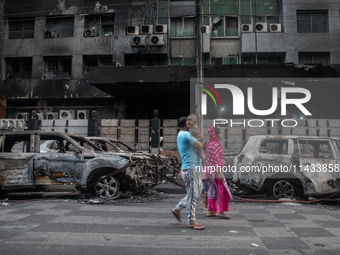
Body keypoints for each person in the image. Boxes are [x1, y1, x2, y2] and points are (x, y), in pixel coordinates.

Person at [171, 116, 205, 230]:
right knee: (193, 195)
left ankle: (178, 208)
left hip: (192, 168)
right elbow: (199, 145)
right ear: (186, 124)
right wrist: (201, 138)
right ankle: (191, 221)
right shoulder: (185, 135)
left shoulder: (183, 134)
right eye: (189, 122)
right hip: (191, 168)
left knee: (196, 191)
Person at [205, 126, 232, 218]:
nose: (221, 135)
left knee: (211, 190)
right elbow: (216, 160)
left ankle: (210, 210)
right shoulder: (216, 145)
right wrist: (220, 173)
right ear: (215, 134)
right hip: (216, 171)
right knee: (223, 190)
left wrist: (221, 161)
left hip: (209, 171)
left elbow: (211, 158)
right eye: (220, 133)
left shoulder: (209, 144)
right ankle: (221, 211)